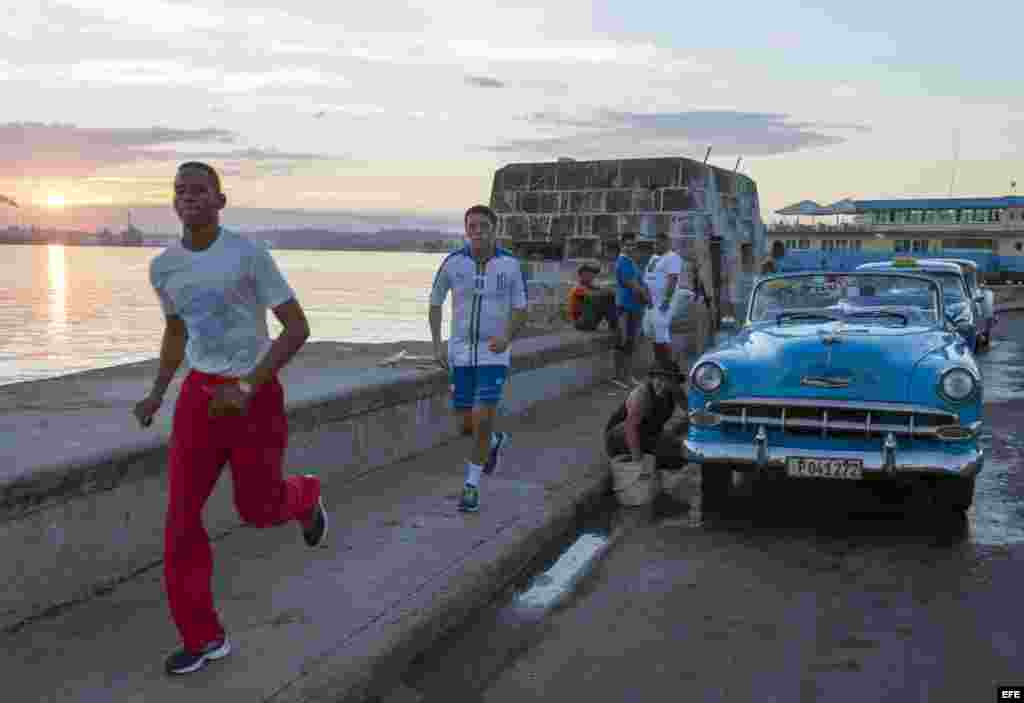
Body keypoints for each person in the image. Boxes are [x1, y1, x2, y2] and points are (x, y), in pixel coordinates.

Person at [133, 162, 327, 676]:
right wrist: (157, 392)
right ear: (173, 201)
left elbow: (297, 328)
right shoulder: (164, 267)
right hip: (199, 398)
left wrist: (247, 387)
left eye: (199, 191)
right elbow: (177, 332)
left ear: (221, 200)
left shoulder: (249, 254)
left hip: (254, 396)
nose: (188, 198)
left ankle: (304, 496)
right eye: (180, 191)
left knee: (259, 510)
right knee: (180, 520)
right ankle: (203, 637)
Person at [429, 204, 528, 513]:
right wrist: (437, 345)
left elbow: (521, 309)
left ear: (493, 229)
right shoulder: (453, 263)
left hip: (493, 353)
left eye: (483, 226)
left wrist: (507, 337)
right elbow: (435, 302)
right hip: (460, 352)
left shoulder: (509, 265)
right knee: (466, 425)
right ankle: (494, 441)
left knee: (483, 416)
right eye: (472, 226)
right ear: (466, 230)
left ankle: (471, 486)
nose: (477, 231)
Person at [604, 360, 688, 470]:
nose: (663, 385)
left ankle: (656, 468)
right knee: (662, 451)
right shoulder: (642, 394)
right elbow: (630, 428)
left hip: (646, 434)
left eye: (669, 381)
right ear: (652, 378)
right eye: (660, 379)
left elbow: (691, 412)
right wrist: (638, 461)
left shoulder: (675, 391)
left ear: (675, 383)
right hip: (619, 437)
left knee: (677, 456)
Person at [643, 233, 684, 366]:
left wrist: (666, 300)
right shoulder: (654, 257)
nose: (656, 245)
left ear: (666, 243)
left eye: (660, 243)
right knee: (649, 330)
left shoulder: (673, 257)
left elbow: (673, 279)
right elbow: (648, 277)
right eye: (655, 243)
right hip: (651, 302)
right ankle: (659, 361)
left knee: (661, 331)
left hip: (663, 301)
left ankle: (667, 364)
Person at [613, 233, 648, 385]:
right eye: (627, 245)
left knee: (630, 341)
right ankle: (624, 377)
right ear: (622, 246)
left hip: (634, 306)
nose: (630, 248)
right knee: (627, 341)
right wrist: (647, 298)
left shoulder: (630, 261)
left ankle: (625, 376)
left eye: (633, 245)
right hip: (627, 306)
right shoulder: (623, 262)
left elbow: (639, 282)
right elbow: (632, 284)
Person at [567, 263, 617, 331]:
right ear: (583, 274)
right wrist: (607, 292)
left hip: (589, 319)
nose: (594, 276)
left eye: (594, 273)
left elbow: (602, 292)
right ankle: (614, 326)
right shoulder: (578, 288)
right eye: (591, 273)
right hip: (580, 322)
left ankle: (614, 326)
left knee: (609, 296)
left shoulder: (591, 286)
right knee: (605, 296)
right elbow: (591, 295)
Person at [688, 253, 715, 357]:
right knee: (702, 332)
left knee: (703, 332)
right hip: (701, 303)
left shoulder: (700, 275)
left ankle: (703, 352)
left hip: (702, 303)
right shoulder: (698, 276)